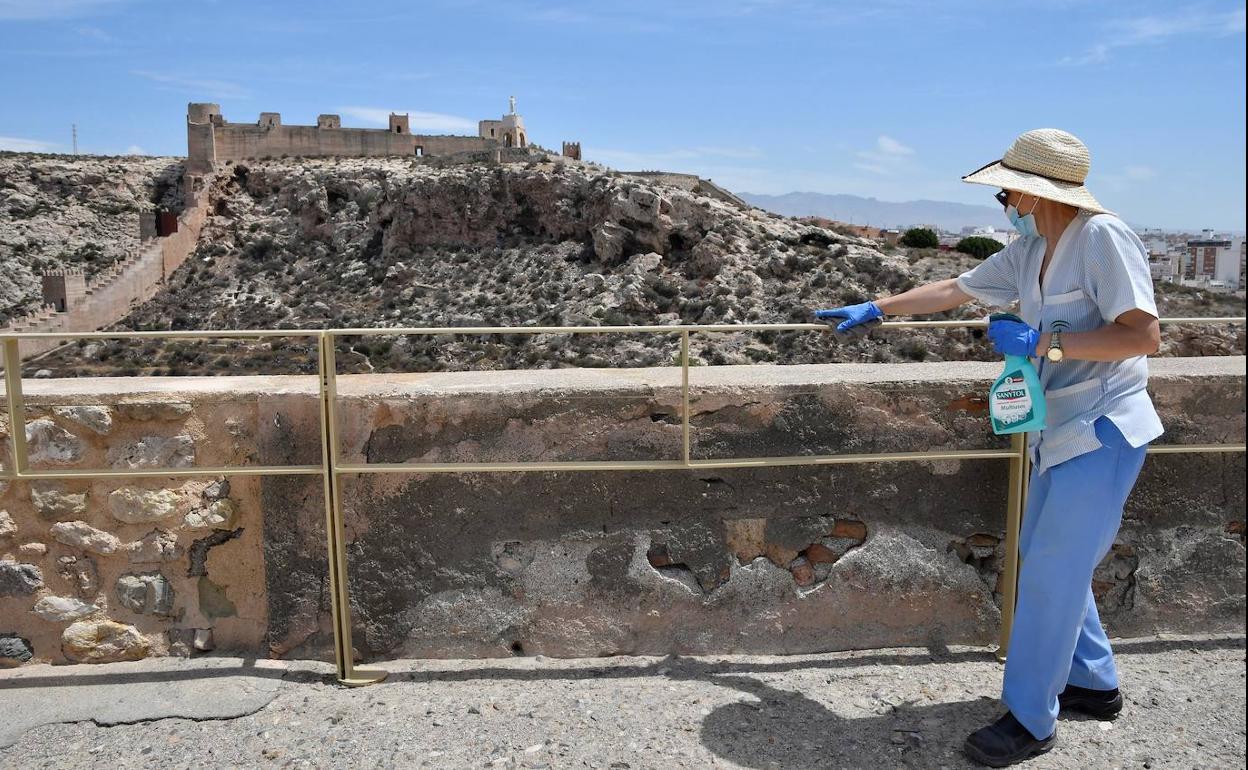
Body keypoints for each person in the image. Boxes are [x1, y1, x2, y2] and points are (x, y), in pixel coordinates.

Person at [814, 128, 1163, 767]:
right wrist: (876, 307)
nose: (1001, 197)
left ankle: (1030, 718)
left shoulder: (1102, 238)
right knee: (1045, 556)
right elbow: (955, 289)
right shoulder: (1032, 250)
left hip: (1105, 426)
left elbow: (1142, 336)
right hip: (1058, 428)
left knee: (1055, 573)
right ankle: (1095, 683)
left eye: (1007, 186)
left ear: (1035, 190)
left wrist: (1042, 346)